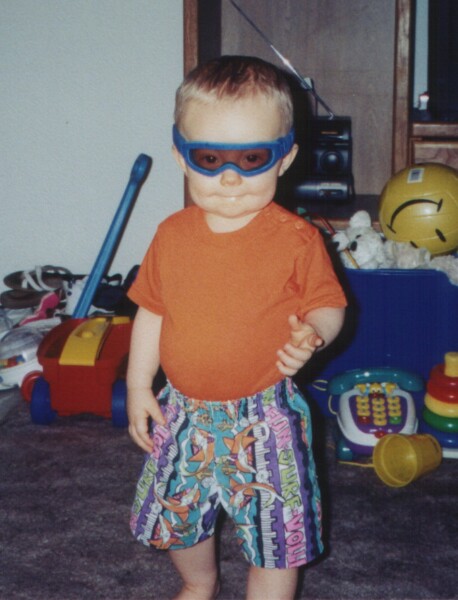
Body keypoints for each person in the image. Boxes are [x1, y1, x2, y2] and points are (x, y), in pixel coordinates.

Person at [126, 55, 346, 600]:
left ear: (285, 158)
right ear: (180, 155)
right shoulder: (171, 236)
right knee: (178, 514)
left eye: (252, 158)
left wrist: (314, 331)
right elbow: (152, 311)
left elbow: (329, 303)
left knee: (276, 535)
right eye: (209, 158)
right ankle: (199, 582)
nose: (230, 177)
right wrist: (138, 385)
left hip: (264, 414)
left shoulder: (297, 240)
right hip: (183, 411)